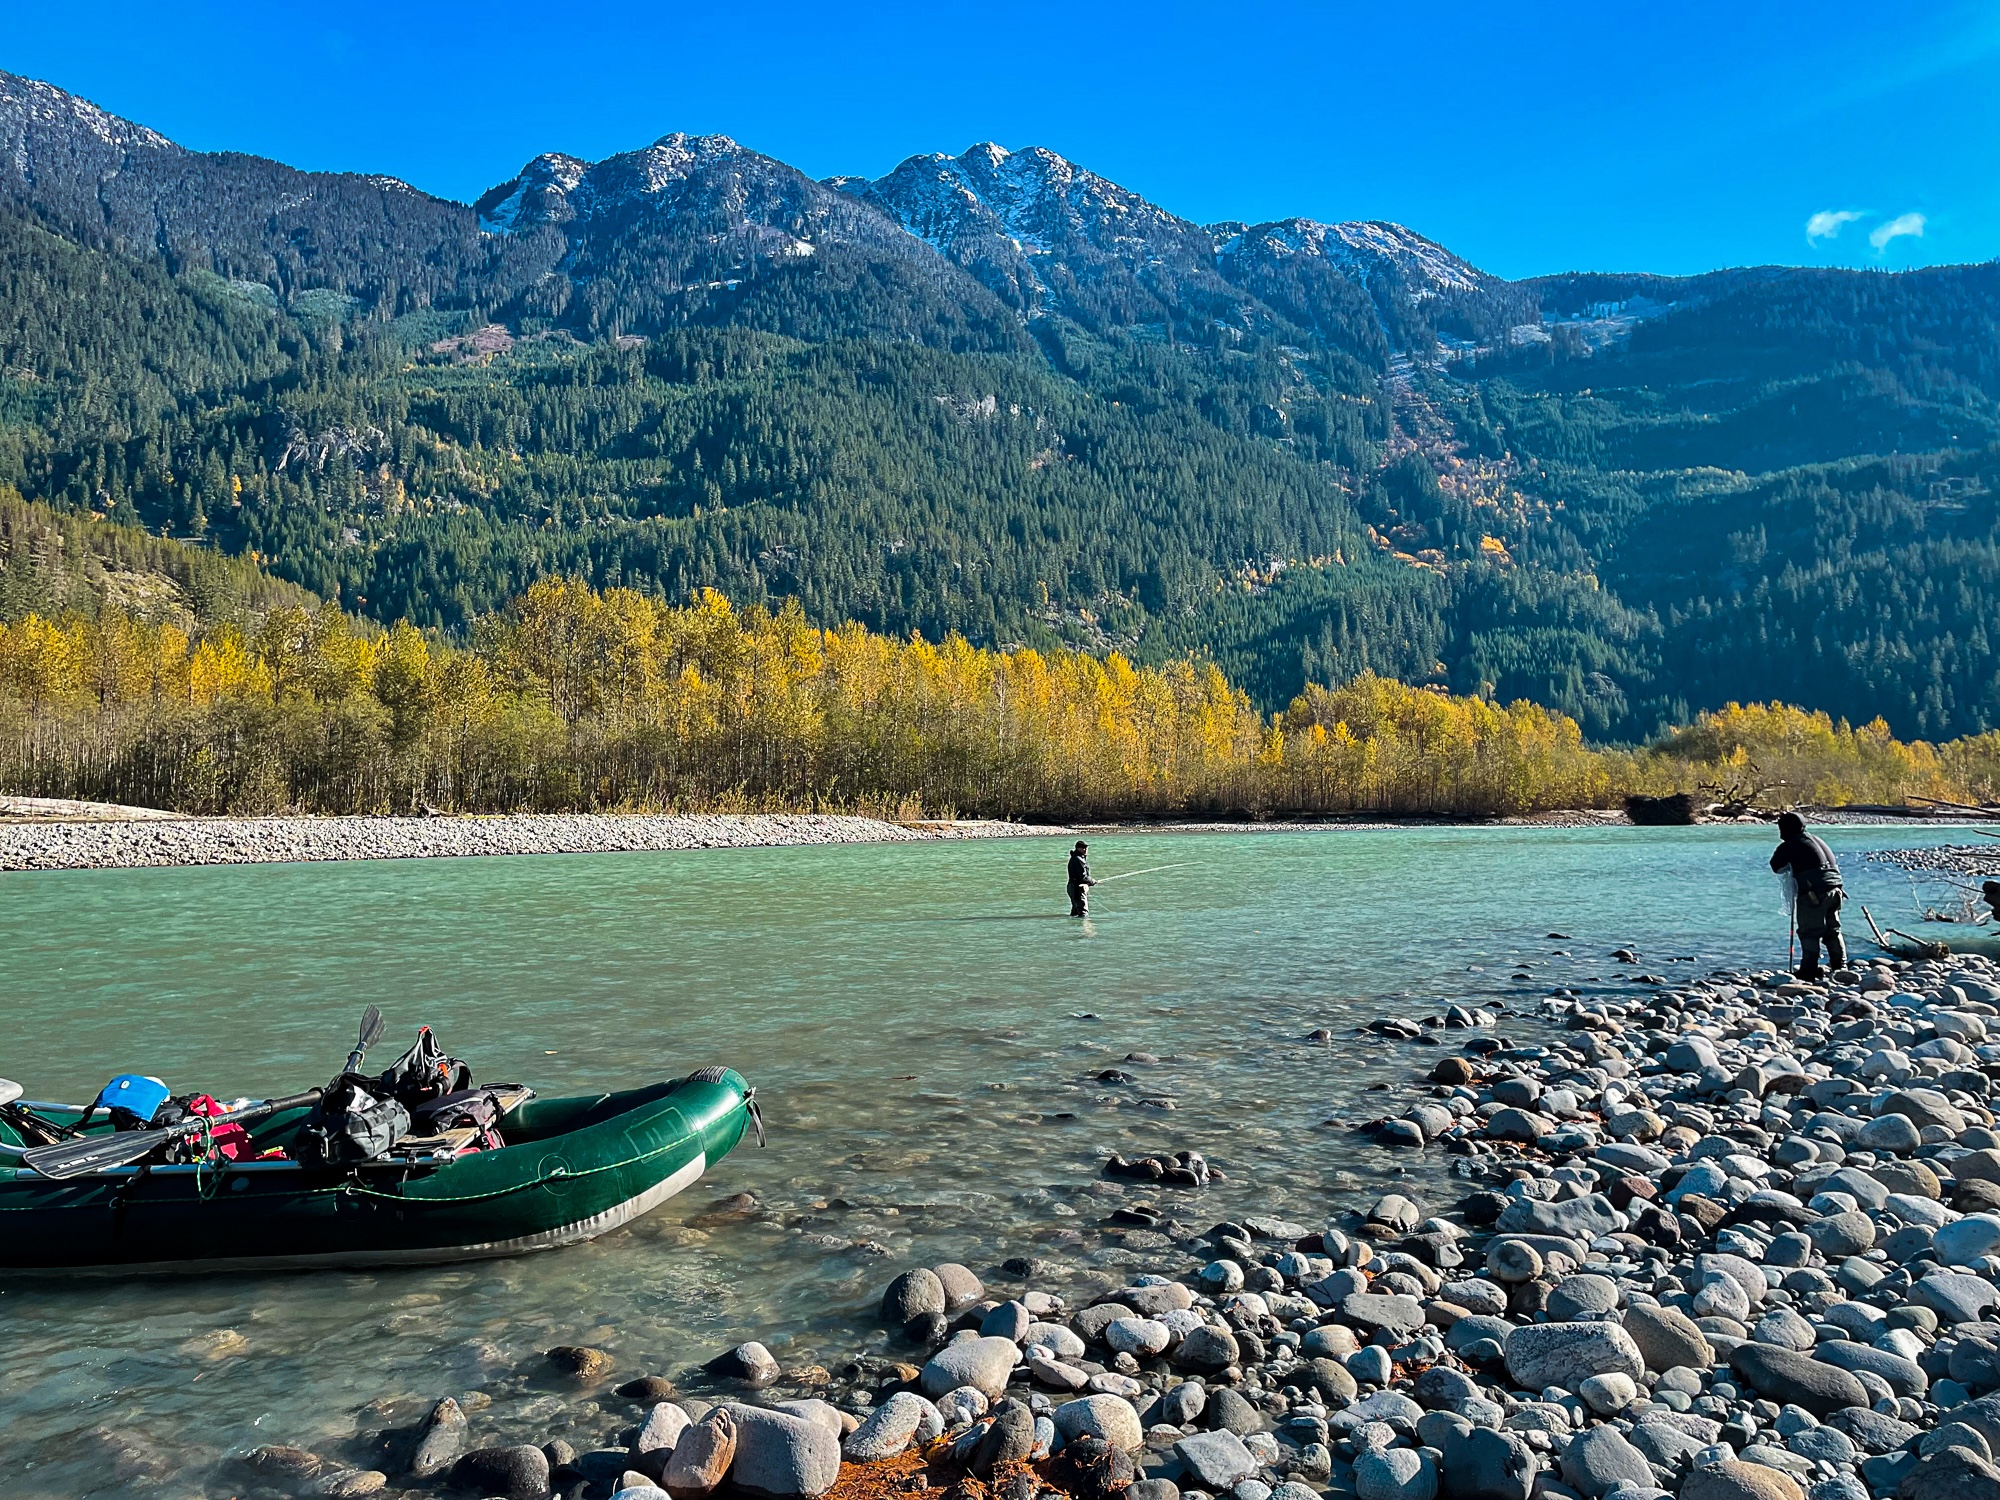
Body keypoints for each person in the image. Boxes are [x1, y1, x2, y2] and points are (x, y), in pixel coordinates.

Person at [1770, 811, 1845, 979]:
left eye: (1781, 828)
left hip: (1814, 892)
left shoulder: (1791, 843)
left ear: (1787, 828)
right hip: (1836, 888)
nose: (1780, 832)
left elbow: (1775, 865)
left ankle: (1809, 969)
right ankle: (1840, 966)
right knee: (1832, 929)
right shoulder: (1816, 839)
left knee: (1809, 931)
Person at [1067, 840, 1096, 917]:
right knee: (1083, 913)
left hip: (1072, 887)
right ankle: (1084, 927)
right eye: (1083, 848)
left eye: (1086, 847)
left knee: (1075, 911)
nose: (1085, 849)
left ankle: (1073, 928)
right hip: (1077, 888)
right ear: (1077, 848)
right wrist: (1092, 881)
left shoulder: (1076, 858)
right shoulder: (1078, 859)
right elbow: (1083, 877)